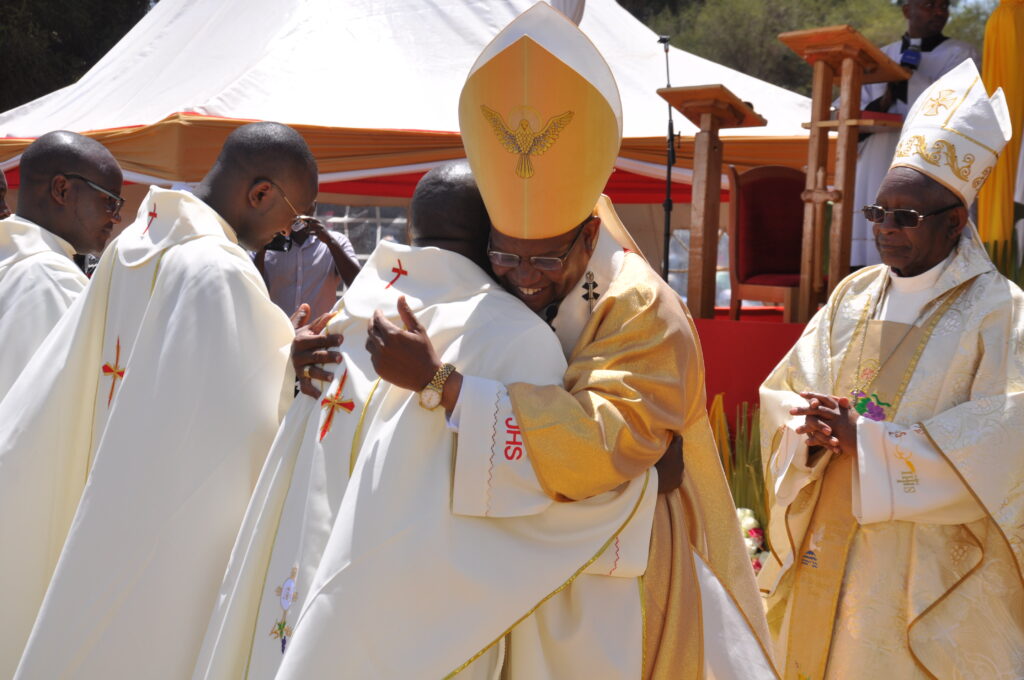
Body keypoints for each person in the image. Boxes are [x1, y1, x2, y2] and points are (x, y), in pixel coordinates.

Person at [281, 6, 775, 679]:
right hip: (520, 564)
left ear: (590, 237)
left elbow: (609, 444)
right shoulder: (499, 285)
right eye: (505, 257)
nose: (523, 280)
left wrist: (441, 385)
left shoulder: (644, 310)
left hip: (617, 571)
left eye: (545, 261)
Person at [193, 158, 595, 680]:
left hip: (306, 587)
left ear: (411, 229)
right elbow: (544, 479)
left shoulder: (345, 315)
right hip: (418, 620)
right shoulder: (518, 336)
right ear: (496, 234)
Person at [0, 122, 310, 679]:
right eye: (293, 216)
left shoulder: (134, 244)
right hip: (156, 504)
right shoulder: (218, 269)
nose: (288, 233)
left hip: (104, 475)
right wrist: (294, 364)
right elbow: (238, 413)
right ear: (260, 193)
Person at [759, 60, 1022, 679]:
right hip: (829, 524)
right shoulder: (855, 294)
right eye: (879, 213)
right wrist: (811, 427)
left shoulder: (1000, 312)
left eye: (908, 217)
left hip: (919, 568)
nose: (886, 231)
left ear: (957, 221)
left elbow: (1007, 441)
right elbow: (786, 388)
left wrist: (875, 448)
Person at [850, 0, 978, 266]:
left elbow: (959, 107)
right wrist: (879, 106)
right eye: (930, 5)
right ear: (908, 11)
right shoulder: (877, 56)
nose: (939, 11)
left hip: (926, 163)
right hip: (876, 158)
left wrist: (908, 83)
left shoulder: (962, 54)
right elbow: (848, 110)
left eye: (944, 6)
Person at [0, 131, 123, 398]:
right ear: (62, 190)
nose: (117, 217)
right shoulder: (50, 278)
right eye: (110, 200)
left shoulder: (11, 257)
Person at [255, 215, 361, 318]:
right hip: (279, 332)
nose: (296, 212)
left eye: (303, 203)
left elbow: (358, 283)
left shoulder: (336, 240)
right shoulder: (267, 241)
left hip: (320, 333)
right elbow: (252, 289)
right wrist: (262, 247)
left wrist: (330, 241)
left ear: (312, 205)